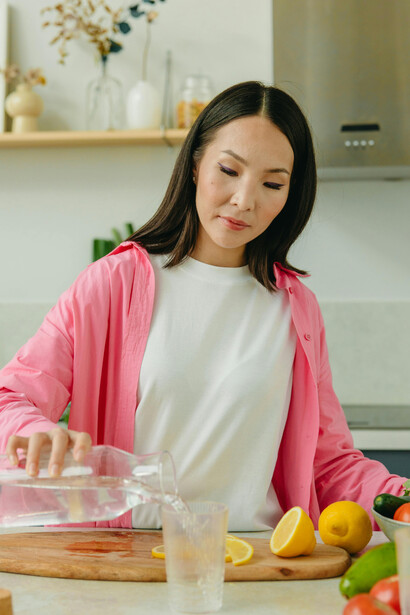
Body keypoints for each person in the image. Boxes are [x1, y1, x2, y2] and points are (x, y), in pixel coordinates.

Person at [0, 81, 406, 531]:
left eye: (273, 183)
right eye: (229, 171)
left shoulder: (297, 309)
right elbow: (11, 397)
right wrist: (32, 430)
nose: (244, 200)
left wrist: (401, 497)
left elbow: (328, 465)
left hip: (261, 565)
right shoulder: (114, 283)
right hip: (132, 564)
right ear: (195, 165)